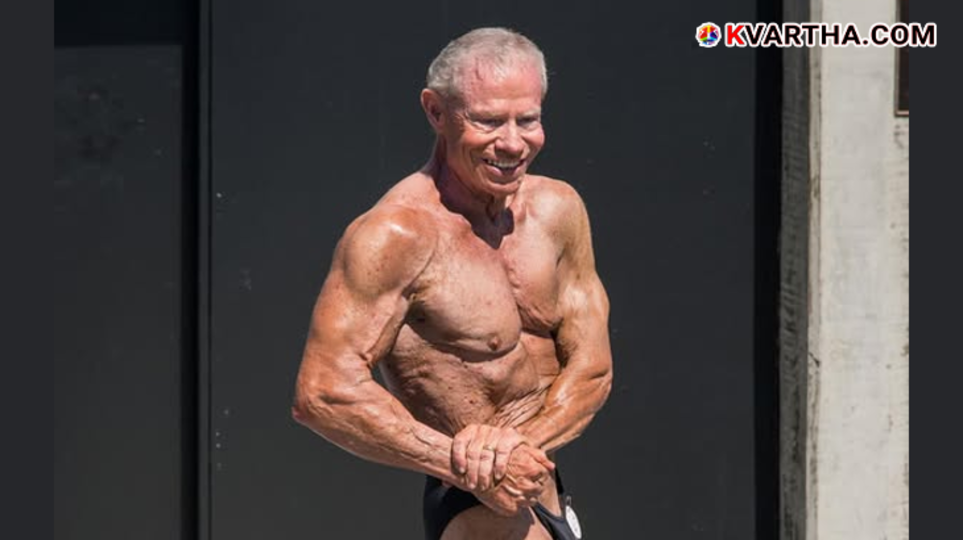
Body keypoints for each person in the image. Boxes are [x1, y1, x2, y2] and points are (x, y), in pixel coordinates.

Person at [292, 27, 612, 540]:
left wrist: (517, 449)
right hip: (477, 504)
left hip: (543, 484)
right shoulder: (397, 236)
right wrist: (470, 466)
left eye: (527, 119)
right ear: (436, 112)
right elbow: (324, 393)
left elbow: (592, 369)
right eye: (487, 121)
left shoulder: (558, 210)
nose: (512, 142)